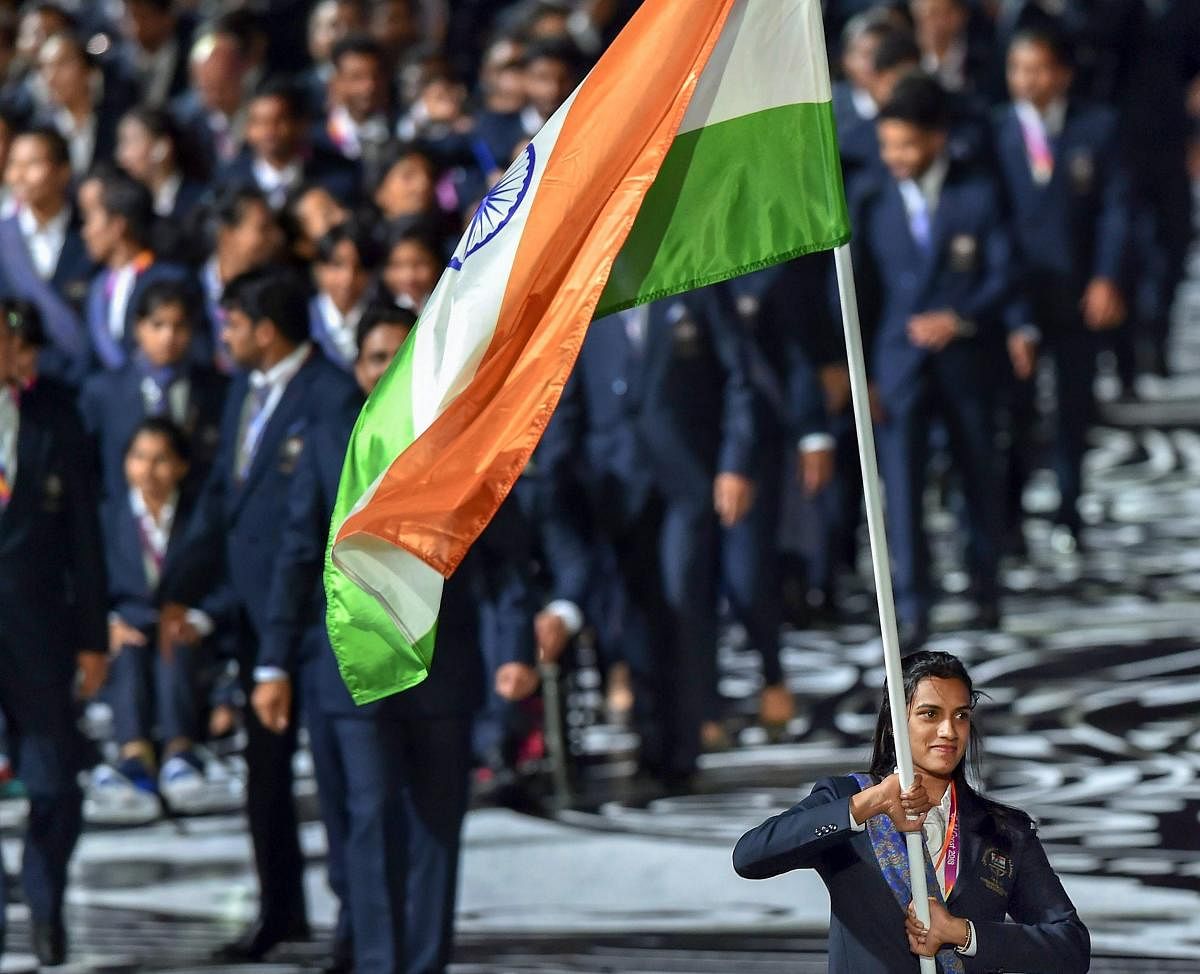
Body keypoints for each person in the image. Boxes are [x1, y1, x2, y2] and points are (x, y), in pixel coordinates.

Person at [257, 302, 540, 974]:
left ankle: (423, 964)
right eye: (375, 356)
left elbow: (506, 560)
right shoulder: (329, 438)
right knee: (369, 819)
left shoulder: (471, 437)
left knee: (437, 829)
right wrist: (272, 659)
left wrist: (517, 651)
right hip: (353, 670)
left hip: (444, 668)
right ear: (357, 367)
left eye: (399, 354)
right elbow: (299, 554)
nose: (387, 368)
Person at [167, 265, 360, 962]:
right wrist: (173, 590)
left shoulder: (329, 396)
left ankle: (354, 924)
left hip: (313, 625)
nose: (227, 337)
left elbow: (329, 519)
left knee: (337, 779)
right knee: (265, 778)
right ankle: (281, 909)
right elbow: (224, 501)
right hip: (256, 624)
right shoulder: (245, 392)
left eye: (235, 324)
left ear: (267, 329)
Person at [733, 650, 1091, 974]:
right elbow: (750, 856)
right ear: (895, 723)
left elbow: (1070, 947)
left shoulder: (1005, 831)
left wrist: (962, 933)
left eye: (961, 716)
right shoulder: (849, 799)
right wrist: (869, 804)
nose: (948, 731)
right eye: (930, 714)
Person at [539, 287, 758, 788]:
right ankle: (649, 739)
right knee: (632, 613)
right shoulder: (587, 294)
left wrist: (735, 464)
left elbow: (739, 378)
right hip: (613, 485)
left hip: (685, 481)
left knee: (680, 602)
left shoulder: (696, 286)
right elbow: (567, 395)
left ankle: (682, 746)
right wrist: (553, 476)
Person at [852, 74, 1018, 647]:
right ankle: (914, 604)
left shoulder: (978, 192)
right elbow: (860, 295)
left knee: (977, 474)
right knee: (902, 490)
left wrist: (960, 316)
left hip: (966, 362)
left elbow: (1003, 271)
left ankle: (985, 585)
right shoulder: (869, 199)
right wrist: (867, 375)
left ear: (938, 138)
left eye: (907, 145)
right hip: (898, 369)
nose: (895, 157)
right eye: (888, 145)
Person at [992, 28, 1130, 553]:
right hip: (1017, 297)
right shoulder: (996, 131)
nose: (1028, 80)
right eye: (1018, 69)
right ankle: (1010, 516)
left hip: (1078, 293)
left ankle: (1069, 510)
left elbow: (1118, 209)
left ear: (1064, 73)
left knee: (1073, 405)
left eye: (1039, 68)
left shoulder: (1098, 128)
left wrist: (1107, 277)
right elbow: (991, 220)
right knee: (1017, 411)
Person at [0, 301, 108, 967]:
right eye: (15, 342)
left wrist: (93, 638)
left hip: (40, 633)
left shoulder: (56, 417)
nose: (27, 354)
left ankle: (45, 904)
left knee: (54, 785)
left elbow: (85, 541)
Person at [93, 418, 217, 815]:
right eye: (138, 457)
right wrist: (107, 623)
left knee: (173, 643)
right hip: (124, 626)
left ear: (181, 466)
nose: (147, 470)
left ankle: (181, 751)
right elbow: (84, 581)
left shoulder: (204, 514)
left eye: (160, 459)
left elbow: (230, 578)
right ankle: (135, 756)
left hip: (187, 630)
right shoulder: (107, 516)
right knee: (128, 651)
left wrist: (201, 619)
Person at [79, 277, 227, 499]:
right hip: (122, 523)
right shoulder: (103, 391)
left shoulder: (214, 389)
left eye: (179, 326)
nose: (168, 337)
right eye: (157, 325)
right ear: (138, 327)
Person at [0, 127, 95, 387]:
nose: (19, 175)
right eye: (13, 165)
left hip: (83, 379)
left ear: (63, 172)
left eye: (32, 164)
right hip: (19, 382)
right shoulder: (3, 238)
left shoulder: (90, 235)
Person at [308, 218, 380, 371]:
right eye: (337, 265)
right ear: (319, 269)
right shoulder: (303, 320)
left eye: (359, 268)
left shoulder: (382, 318)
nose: (348, 278)